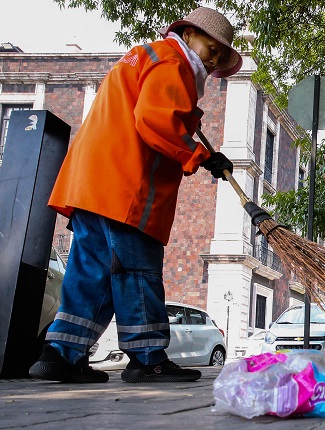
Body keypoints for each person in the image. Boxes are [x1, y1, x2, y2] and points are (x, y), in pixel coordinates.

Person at [28, 6, 242, 383]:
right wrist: (201, 155)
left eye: (224, 56)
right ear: (189, 33)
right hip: (126, 186)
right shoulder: (173, 62)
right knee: (136, 270)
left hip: (93, 184)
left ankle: (60, 354)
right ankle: (148, 359)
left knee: (91, 272)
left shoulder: (146, 56)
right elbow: (155, 120)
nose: (217, 60)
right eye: (214, 48)